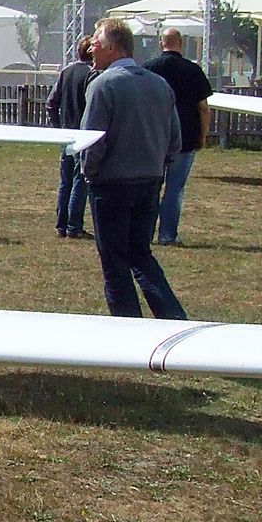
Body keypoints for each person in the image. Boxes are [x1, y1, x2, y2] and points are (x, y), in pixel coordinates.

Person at [80, 19, 186, 320]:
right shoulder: (159, 84)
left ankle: (128, 327)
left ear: (113, 48)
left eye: (96, 43)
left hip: (111, 184)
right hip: (150, 181)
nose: (91, 48)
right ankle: (172, 317)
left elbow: (92, 141)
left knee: (114, 262)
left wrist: (90, 173)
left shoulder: (103, 85)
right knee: (141, 254)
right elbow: (174, 139)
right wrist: (157, 167)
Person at [144, 28, 213, 246]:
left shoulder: (148, 69)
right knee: (174, 189)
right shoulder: (193, 70)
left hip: (155, 136)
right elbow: (203, 107)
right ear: (181, 43)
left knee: (151, 188)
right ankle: (167, 235)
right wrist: (203, 136)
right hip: (186, 136)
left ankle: (145, 233)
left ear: (161, 43)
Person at [47, 35, 94, 239]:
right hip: (84, 134)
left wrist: (58, 128)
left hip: (66, 134)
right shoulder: (92, 75)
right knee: (80, 180)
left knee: (65, 181)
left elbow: (51, 103)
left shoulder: (66, 72)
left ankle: (61, 225)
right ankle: (74, 226)